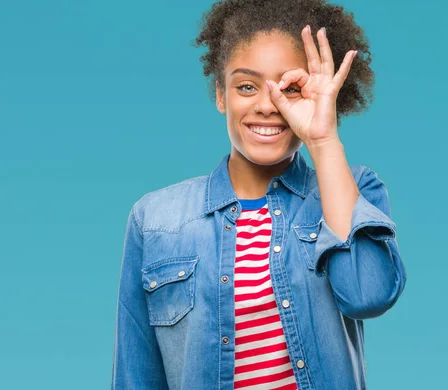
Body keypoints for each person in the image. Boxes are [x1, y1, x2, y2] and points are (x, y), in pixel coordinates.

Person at [111, 0, 407, 388]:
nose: (268, 106)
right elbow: (137, 377)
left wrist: (323, 139)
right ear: (221, 95)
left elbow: (368, 296)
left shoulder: (353, 189)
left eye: (290, 88)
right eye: (247, 86)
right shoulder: (156, 220)